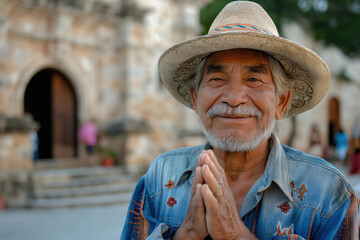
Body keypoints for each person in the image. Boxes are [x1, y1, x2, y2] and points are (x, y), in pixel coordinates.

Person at [121, 1, 359, 239]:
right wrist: (189, 232)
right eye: (216, 78)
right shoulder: (160, 180)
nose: (234, 99)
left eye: (254, 79)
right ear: (195, 99)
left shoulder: (328, 194)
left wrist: (234, 234)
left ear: (281, 102)